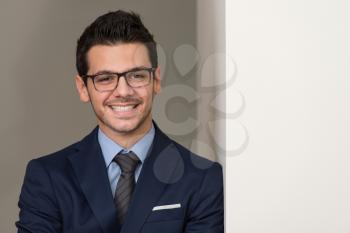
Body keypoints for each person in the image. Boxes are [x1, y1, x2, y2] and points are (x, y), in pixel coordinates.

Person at [16, 10, 223, 233]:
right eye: (105, 79)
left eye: (137, 75)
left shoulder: (203, 179)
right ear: (83, 88)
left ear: (156, 80)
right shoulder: (48, 177)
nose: (123, 91)